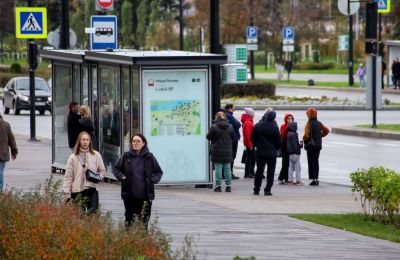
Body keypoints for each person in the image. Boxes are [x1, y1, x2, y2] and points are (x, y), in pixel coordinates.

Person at [112, 134, 163, 228]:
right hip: (129, 195)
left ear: (143, 143)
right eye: (133, 141)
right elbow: (115, 169)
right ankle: (128, 241)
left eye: (138, 141)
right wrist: (122, 176)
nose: (135, 143)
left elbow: (159, 172)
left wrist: (153, 180)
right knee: (129, 221)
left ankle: (143, 241)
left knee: (144, 221)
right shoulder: (126, 156)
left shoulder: (149, 157)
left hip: (145, 196)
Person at [63, 132, 106, 214]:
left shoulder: (96, 155)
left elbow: (102, 171)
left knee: (93, 214)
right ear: (79, 141)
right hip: (77, 190)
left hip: (92, 188)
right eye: (83, 140)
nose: (85, 142)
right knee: (79, 215)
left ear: (90, 141)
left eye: (87, 140)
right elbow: (68, 177)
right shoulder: (73, 157)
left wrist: (97, 177)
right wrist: (67, 194)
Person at [251, 111, 282, 196]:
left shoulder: (258, 125)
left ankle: (256, 189)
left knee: (259, 170)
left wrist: (257, 145)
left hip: (260, 151)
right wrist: (276, 148)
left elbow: (252, 137)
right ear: (274, 118)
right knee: (270, 172)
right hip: (271, 153)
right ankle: (267, 190)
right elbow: (279, 141)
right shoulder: (274, 127)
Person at [207, 112, 235, 192]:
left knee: (218, 168)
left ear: (216, 118)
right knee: (227, 168)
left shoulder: (214, 127)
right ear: (224, 117)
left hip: (216, 150)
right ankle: (228, 186)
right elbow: (233, 137)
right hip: (227, 150)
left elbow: (209, 137)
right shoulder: (230, 126)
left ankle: (218, 185)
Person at [303, 108, 329, 186]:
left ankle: (313, 179)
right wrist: (320, 135)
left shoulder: (308, 123)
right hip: (318, 145)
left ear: (309, 115)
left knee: (311, 162)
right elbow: (326, 130)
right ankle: (316, 178)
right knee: (316, 161)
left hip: (311, 145)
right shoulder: (319, 123)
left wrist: (304, 139)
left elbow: (307, 135)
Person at [0, 113, 18, 192]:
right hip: (1, 155)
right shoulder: (6, 125)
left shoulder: (5, 125)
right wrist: (14, 152)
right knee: (0, 174)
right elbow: (12, 140)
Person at [223, 104, 241, 179]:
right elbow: (237, 125)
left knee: (227, 157)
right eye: (234, 107)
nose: (235, 108)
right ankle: (229, 173)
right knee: (231, 157)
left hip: (228, 139)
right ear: (230, 108)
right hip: (233, 139)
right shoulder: (229, 115)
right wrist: (237, 121)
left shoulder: (226, 115)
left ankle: (225, 173)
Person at [277, 113, 294, 185]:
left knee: (290, 164)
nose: (290, 120)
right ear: (285, 119)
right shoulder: (283, 126)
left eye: (291, 118)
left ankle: (287, 178)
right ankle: (281, 178)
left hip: (291, 147)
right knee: (285, 163)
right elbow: (282, 135)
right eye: (288, 118)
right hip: (284, 147)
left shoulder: (294, 126)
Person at [240, 108, 255, 178]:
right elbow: (248, 135)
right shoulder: (248, 122)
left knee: (249, 158)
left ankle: (249, 172)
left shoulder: (247, 121)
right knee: (250, 158)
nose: (254, 114)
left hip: (248, 143)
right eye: (253, 113)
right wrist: (250, 144)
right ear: (251, 114)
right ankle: (248, 173)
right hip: (250, 143)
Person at [286, 122, 302, 186]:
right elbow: (295, 144)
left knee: (290, 167)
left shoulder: (289, 134)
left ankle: (290, 180)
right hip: (295, 153)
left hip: (290, 153)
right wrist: (300, 145)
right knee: (297, 167)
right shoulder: (294, 134)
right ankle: (298, 181)